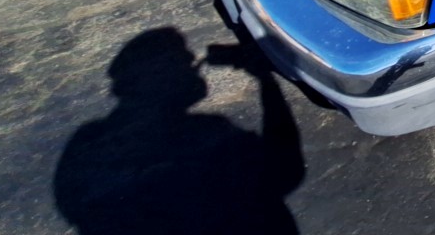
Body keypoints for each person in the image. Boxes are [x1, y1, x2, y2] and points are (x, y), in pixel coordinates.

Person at [54, 28, 304, 235]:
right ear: (155, 76)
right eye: (182, 61)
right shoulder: (207, 136)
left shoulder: (89, 143)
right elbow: (285, 169)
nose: (194, 67)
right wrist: (267, 83)